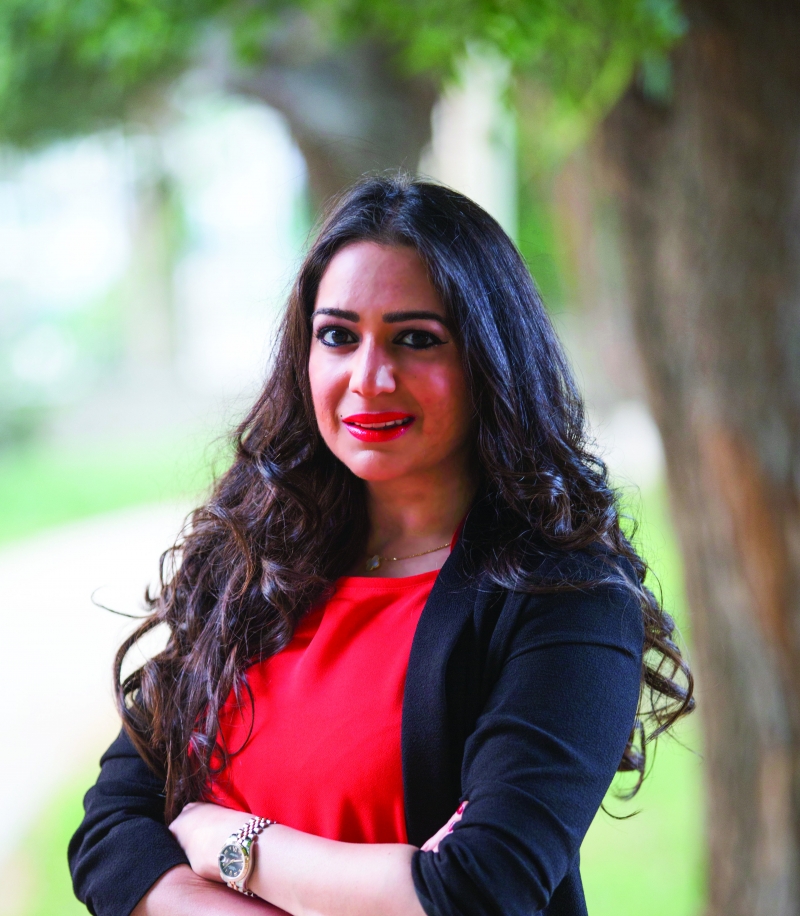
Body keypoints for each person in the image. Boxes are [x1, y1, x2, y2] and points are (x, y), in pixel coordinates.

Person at [69, 174, 694, 916]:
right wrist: (389, 884)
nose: (369, 378)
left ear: (490, 359)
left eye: (416, 339)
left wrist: (230, 843)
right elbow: (110, 835)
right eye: (338, 336)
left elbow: (480, 888)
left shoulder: (567, 601)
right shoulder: (250, 562)